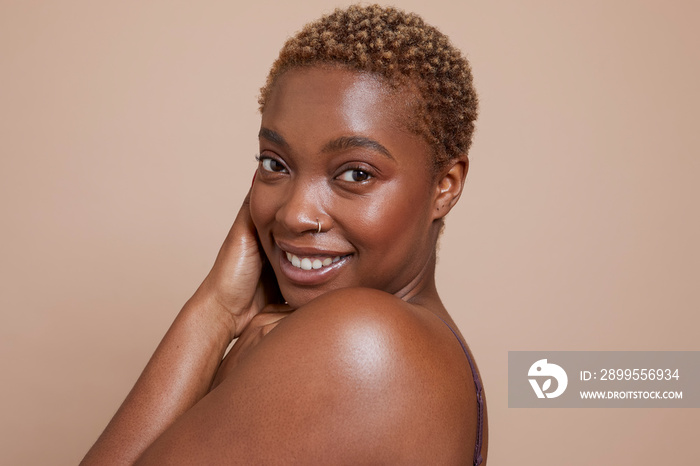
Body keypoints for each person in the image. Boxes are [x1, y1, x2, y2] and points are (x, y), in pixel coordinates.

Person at [82, 4, 487, 465]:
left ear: (445, 186)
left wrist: (215, 314)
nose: (295, 215)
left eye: (355, 173)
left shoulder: (364, 340)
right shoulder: (438, 357)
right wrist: (221, 307)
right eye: (275, 164)